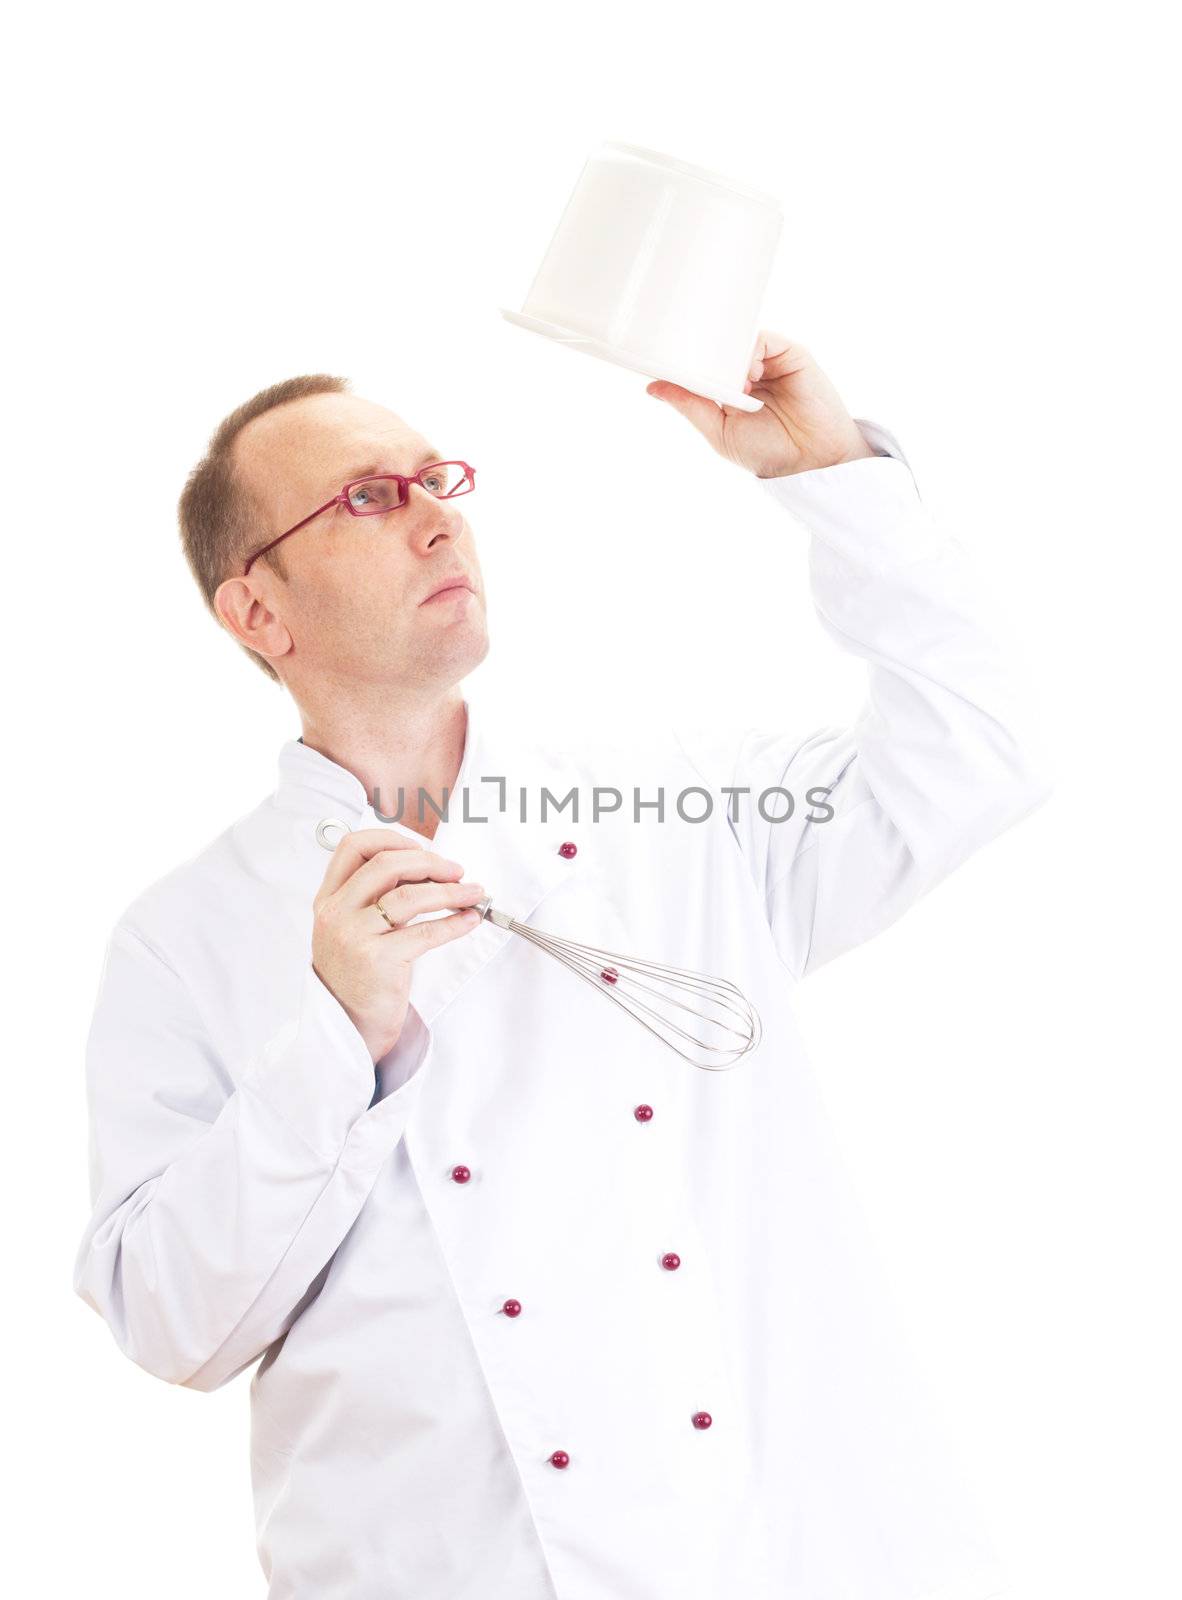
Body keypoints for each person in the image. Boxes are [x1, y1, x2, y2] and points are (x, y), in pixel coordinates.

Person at [72, 332, 1048, 1599]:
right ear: (257, 607)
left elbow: (983, 754)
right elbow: (166, 1325)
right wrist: (335, 1036)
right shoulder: (188, 934)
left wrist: (830, 479)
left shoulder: (678, 804)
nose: (434, 520)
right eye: (369, 495)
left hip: (759, 1549)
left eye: (439, 480)